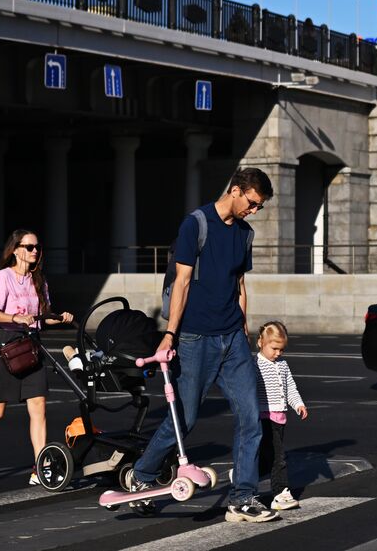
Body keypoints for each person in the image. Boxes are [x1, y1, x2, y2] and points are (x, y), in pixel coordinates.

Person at [126, 167, 277, 523]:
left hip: (232, 340)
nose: (253, 211)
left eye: (259, 207)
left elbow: (239, 284)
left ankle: (243, 497)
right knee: (186, 417)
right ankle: (142, 477)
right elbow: (181, 282)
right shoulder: (196, 224)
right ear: (236, 190)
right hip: (195, 338)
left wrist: (243, 328)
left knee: (249, 416)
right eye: (252, 203)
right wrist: (170, 333)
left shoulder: (245, 234)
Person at [0, 230, 74, 485]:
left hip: (32, 346)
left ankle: (40, 467)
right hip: (7, 346)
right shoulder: (3, 277)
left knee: (38, 406)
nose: (35, 252)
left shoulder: (38, 281)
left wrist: (59, 317)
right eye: (29, 247)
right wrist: (15, 318)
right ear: (16, 249)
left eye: (37, 248)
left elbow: (43, 316)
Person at [254, 321, 309, 510]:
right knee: (278, 458)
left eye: (281, 350)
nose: (278, 353)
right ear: (261, 342)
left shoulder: (283, 365)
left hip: (280, 418)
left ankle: (242, 475)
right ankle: (280, 493)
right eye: (274, 348)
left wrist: (298, 404)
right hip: (264, 418)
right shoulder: (256, 364)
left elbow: (290, 387)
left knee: (267, 458)